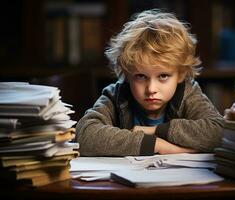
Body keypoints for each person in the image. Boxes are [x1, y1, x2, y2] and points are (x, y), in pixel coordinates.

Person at [75, 9, 224, 156]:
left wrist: (157, 130)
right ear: (127, 74)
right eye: (141, 76)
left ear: (181, 74)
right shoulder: (116, 95)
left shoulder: (188, 93)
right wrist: (156, 145)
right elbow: (84, 135)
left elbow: (219, 132)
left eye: (163, 76)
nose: (151, 89)